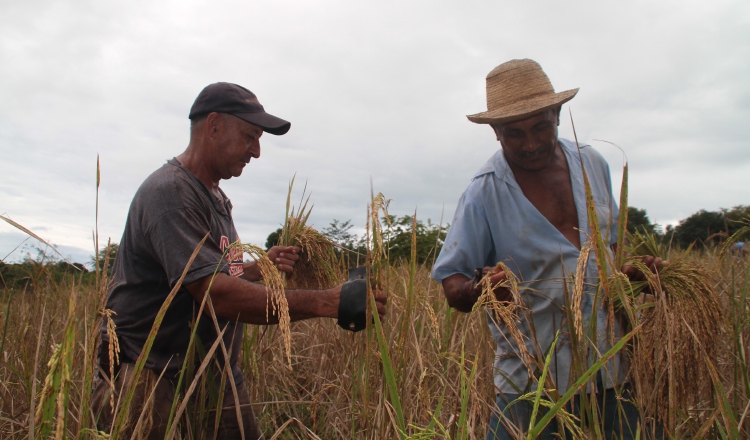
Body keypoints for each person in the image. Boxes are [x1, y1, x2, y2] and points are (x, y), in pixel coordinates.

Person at [91, 82, 387, 439]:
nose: (257, 151)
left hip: (210, 373)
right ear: (213, 125)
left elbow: (216, 272)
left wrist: (257, 268)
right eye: (250, 136)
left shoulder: (216, 198)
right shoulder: (171, 193)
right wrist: (327, 302)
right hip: (150, 376)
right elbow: (215, 293)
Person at [431, 59, 663, 439]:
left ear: (557, 114)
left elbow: (613, 255)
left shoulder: (592, 164)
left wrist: (637, 275)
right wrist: (483, 290)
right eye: (514, 133)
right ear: (495, 132)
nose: (531, 144)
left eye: (541, 126)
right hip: (531, 382)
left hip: (613, 370)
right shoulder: (483, 193)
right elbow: (453, 285)